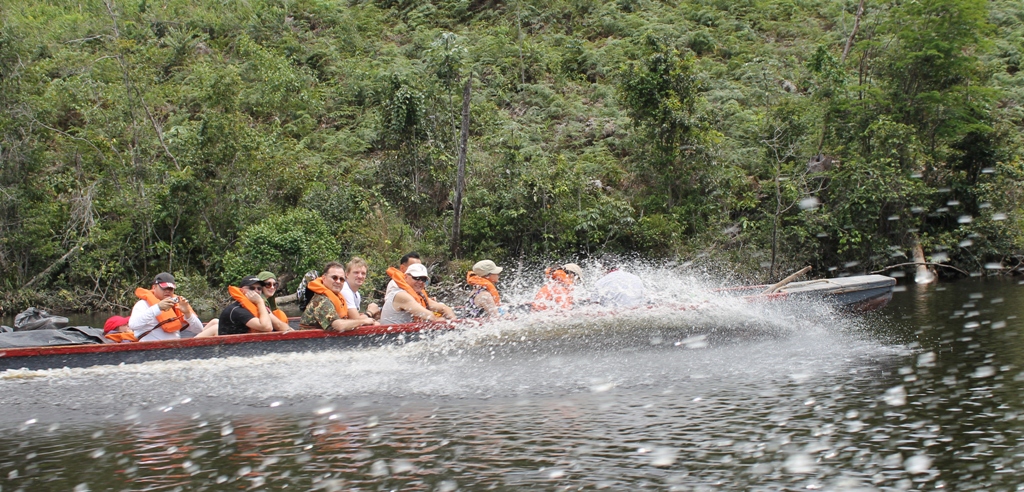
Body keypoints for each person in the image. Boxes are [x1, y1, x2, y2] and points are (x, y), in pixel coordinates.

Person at [128, 272, 210, 341]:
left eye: (170, 289)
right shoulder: (142, 304)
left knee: (215, 322)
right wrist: (158, 308)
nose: (167, 291)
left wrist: (187, 314)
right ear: (154, 287)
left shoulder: (176, 304)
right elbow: (133, 325)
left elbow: (199, 329)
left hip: (175, 348)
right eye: (164, 288)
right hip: (151, 350)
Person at [300, 261, 377, 331]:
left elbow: (346, 320)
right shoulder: (321, 300)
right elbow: (338, 326)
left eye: (341, 279)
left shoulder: (338, 297)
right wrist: (363, 320)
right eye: (334, 278)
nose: (338, 281)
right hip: (312, 342)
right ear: (324, 278)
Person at [380, 263, 456, 324]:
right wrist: (445, 321)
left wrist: (454, 322)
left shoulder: (418, 295)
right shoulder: (400, 295)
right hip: (392, 338)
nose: (420, 282)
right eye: (416, 278)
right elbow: (432, 317)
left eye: (423, 279)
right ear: (406, 277)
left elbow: (444, 308)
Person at [341, 257, 380, 323]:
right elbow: (356, 320)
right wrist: (370, 312)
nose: (360, 276)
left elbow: (356, 317)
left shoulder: (357, 294)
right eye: (356, 272)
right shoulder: (345, 290)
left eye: (363, 273)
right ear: (347, 274)